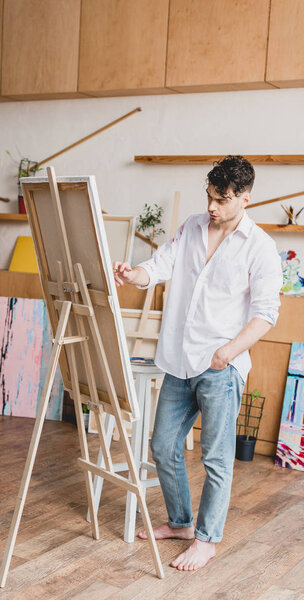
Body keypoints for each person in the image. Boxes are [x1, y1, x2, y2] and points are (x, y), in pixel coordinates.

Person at [113, 155, 283, 572]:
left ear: (245, 198)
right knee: (163, 446)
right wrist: (135, 274)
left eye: (222, 200)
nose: (212, 207)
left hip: (221, 367)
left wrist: (228, 352)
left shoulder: (260, 247)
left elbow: (265, 312)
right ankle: (182, 524)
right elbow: (161, 265)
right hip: (178, 359)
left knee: (216, 458)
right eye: (209, 196)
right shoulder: (191, 226)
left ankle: (207, 541)